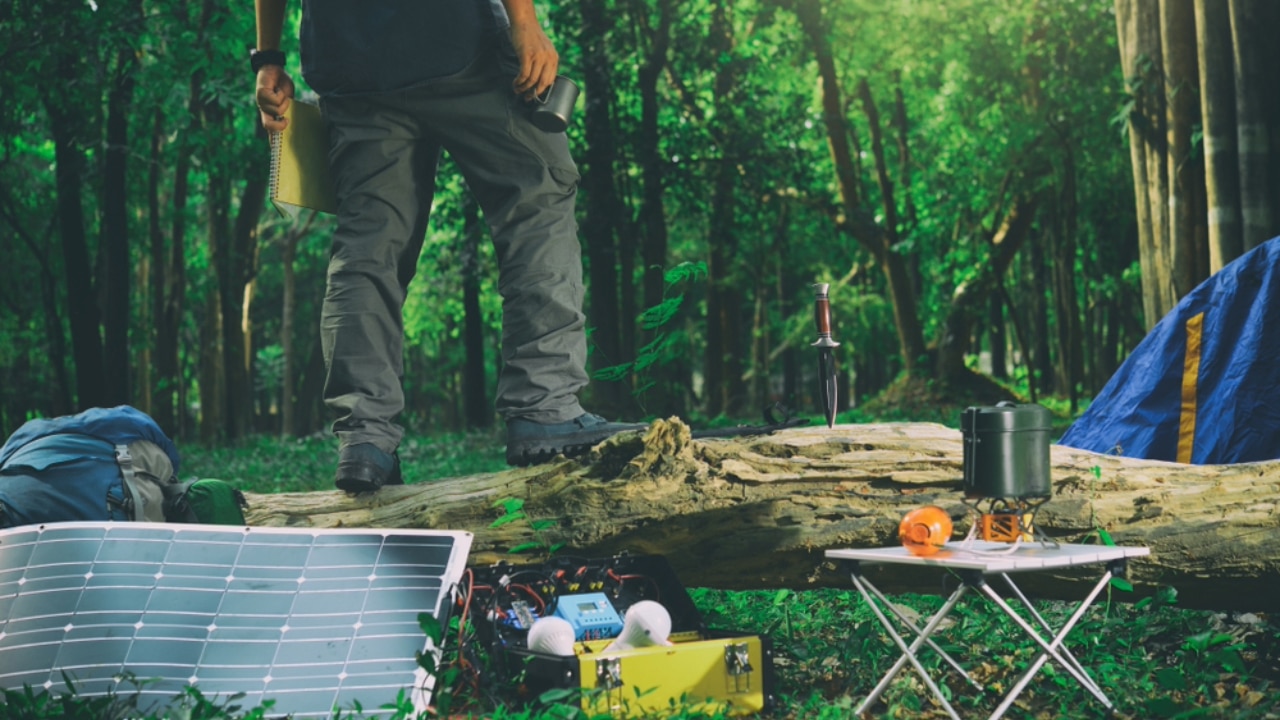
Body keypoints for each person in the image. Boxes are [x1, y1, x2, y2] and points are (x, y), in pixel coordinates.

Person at [253, 0, 643, 493]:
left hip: (348, 61)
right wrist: (523, 20)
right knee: (536, 198)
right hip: (460, 40)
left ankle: (365, 437)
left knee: (368, 245)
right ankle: (544, 407)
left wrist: (268, 58)